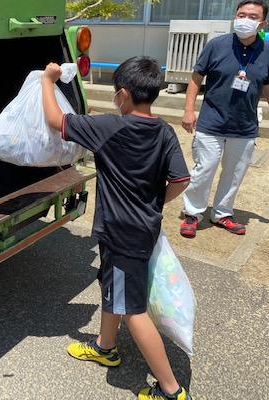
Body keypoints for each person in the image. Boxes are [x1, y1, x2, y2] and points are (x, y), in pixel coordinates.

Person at [41, 58, 192, 400]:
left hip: (121, 236)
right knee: (112, 287)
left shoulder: (108, 127)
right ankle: (105, 347)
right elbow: (181, 180)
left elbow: (54, 120)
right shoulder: (164, 131)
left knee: (132, 311)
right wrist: (154, 204)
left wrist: (47, 81)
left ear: (123, 94)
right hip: (141, 231)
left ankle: (170, 390)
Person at [179, 0, 269, 239]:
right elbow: (196, 78)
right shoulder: (216, 45)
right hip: (211, 121)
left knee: (234, 173)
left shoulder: (268, 51)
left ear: (263, 24)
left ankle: (222, 213)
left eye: (253, 17)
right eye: (241, 15)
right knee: (204, 170)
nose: (245, 20)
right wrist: (188, 110)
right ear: (234, 17)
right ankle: (192, 213)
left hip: (244, 126)